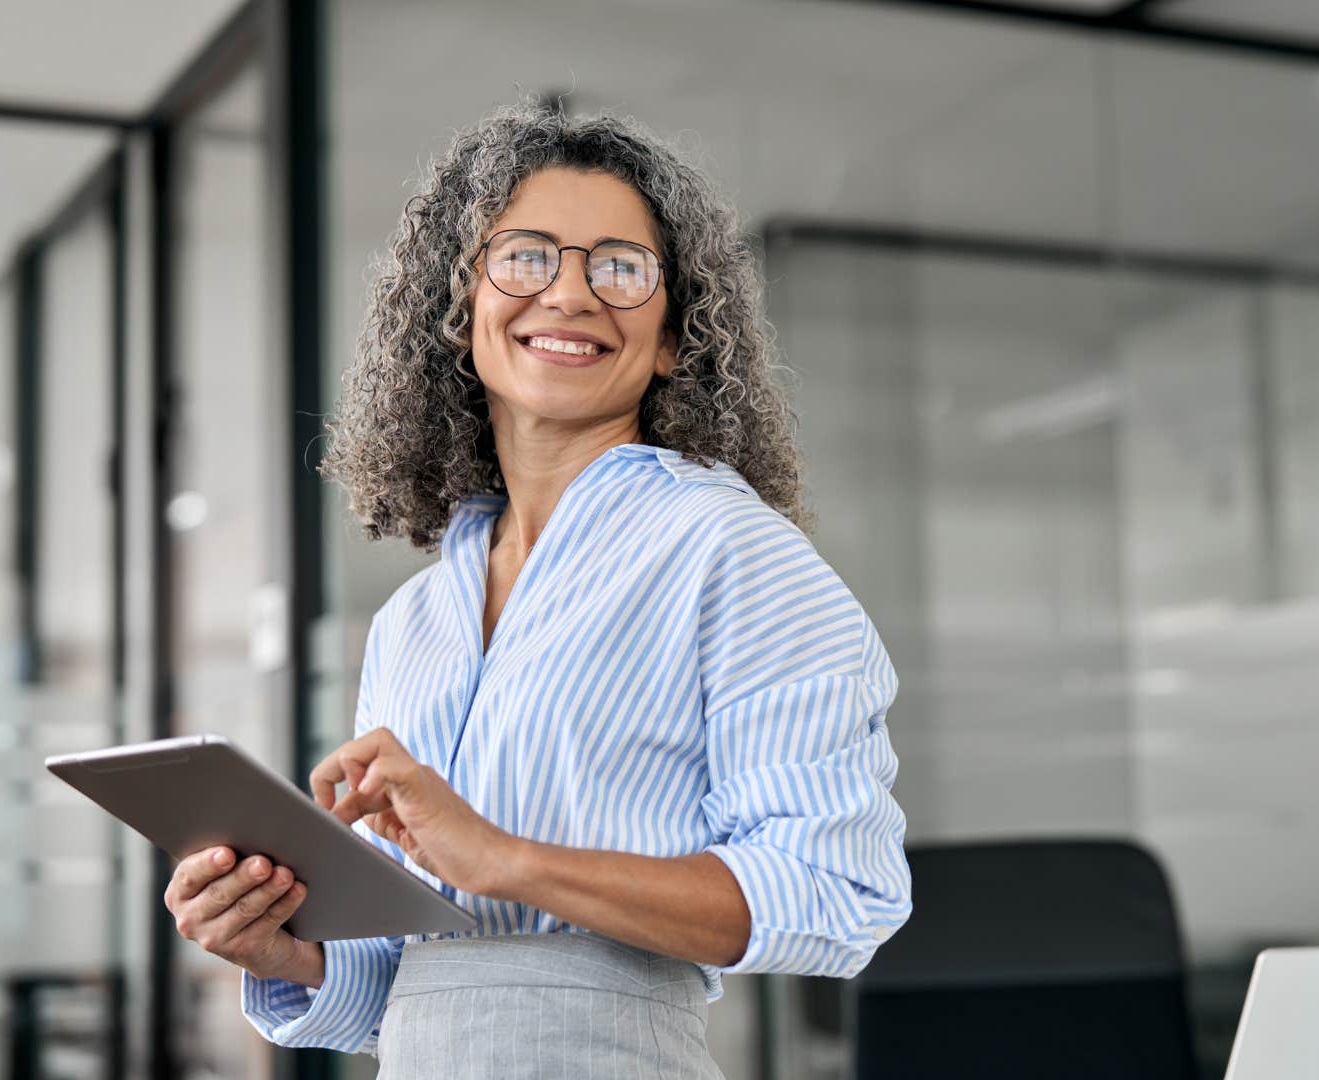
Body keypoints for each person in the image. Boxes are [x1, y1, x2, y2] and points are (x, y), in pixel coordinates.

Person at [159, 97, 911, 1076]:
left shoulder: (730, 553)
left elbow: (838, 892)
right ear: (459, 312)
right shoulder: (414, 622)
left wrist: (510, 860)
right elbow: (405, 981)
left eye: (619, 268)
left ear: (676, 336)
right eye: (524, 256)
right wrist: (278, 947)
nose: (568, 294)